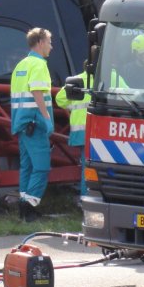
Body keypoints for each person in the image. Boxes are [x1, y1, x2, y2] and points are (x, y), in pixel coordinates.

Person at [10, 27, 54, 222]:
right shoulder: (39, 65)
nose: (51, 47)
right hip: (35, 123)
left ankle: (23, 206)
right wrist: (46, 118)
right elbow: (37, 92)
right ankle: (30, 207)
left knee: (27, 167)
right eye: (49, 42)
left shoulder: (21, 65)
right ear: (41, 42)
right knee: (42, 167)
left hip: (21, 123)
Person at [55, 70, 90, 197]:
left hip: (80, 132)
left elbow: (60, 99)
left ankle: (85, 198)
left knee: (87, 167)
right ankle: (87, 199)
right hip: (99, 132)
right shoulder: (110, 75)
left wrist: (72, 106)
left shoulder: (77, 79)